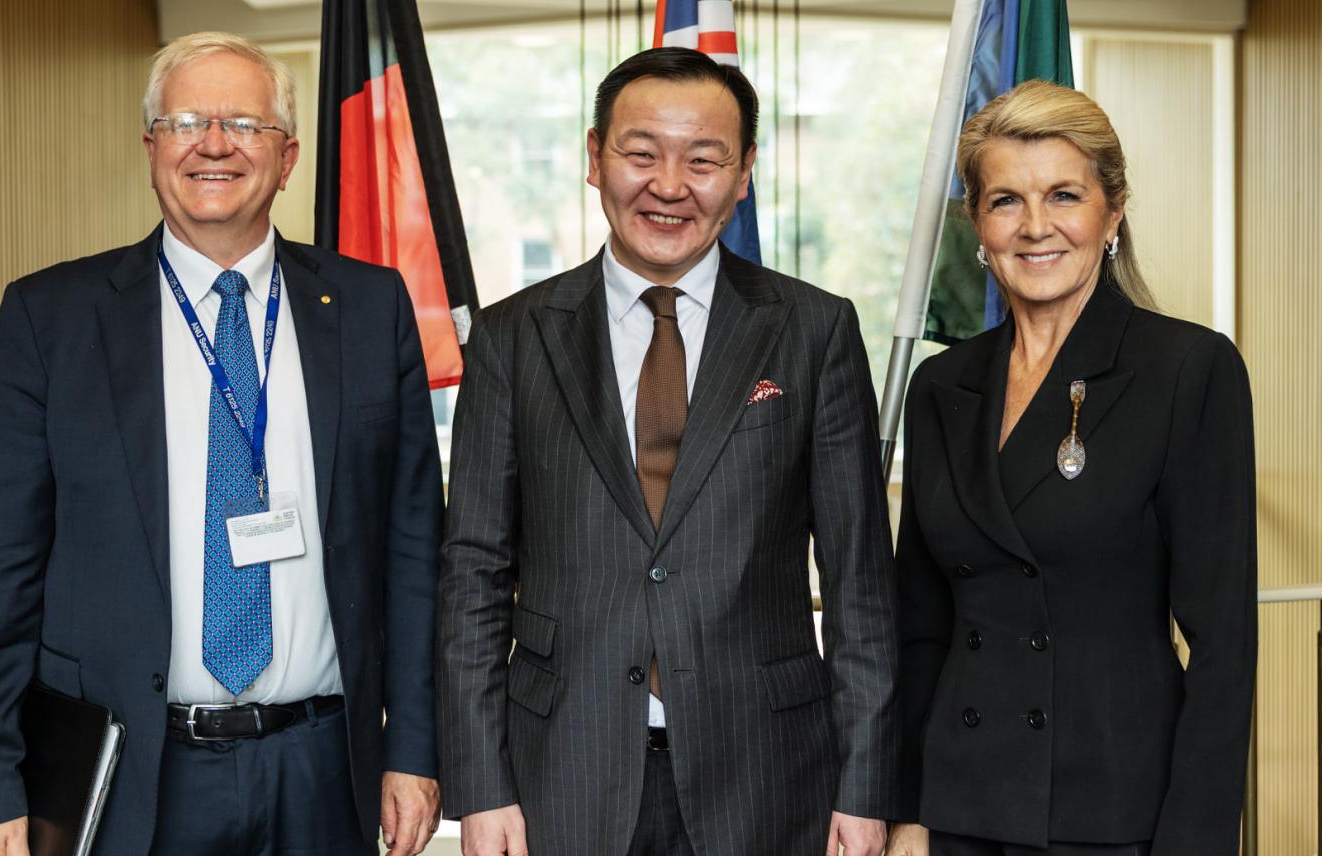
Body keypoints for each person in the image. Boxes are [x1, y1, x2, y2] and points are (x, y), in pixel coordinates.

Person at [0, 31, 443, 856]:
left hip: (323, 769)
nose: (213, 143)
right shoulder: (50, 319)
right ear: (151, 149)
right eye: (185, 123)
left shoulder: (371, 308)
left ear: (287, 158)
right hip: (133, 776)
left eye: (244, 123)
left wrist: (415, 748)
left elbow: (416, 553)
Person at [436, 47, 900, 856]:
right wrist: (480, 786)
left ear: (745, 172)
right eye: (641, 153)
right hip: (560, 774)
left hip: (769, 772)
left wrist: (864, 790)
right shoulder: (512, 337)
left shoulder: (814, 331)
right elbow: (473, 572)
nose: (670, 185)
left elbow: (860, 580)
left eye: (704, 159)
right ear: (594, 158)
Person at [886, 79, 1256, 856]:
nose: (1034, 227)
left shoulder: (1187, 369)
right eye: (1005, 201)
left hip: (1112, 814)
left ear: (1112, 212)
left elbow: (1223, 648)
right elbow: (921, 629)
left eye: (1063, 195)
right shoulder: (940, 386)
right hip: (957, 809)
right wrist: (908, 813)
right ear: (977, 225)